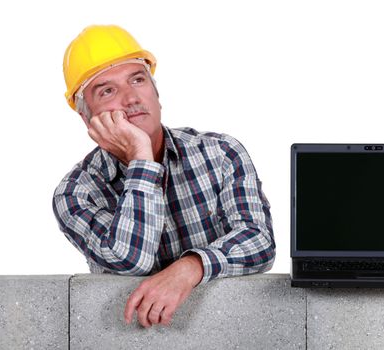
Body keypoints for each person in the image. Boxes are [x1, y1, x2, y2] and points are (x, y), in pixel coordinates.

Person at [53, 25, 276, 328]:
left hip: (227, 332)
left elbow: (259, 241)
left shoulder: (221, 153)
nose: (131, 98)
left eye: (138, 79)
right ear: (86, 117)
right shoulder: (75, 194)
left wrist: (190, 266)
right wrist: (141, 158)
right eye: (107, 90)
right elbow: (131, 261)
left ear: (156, 93)